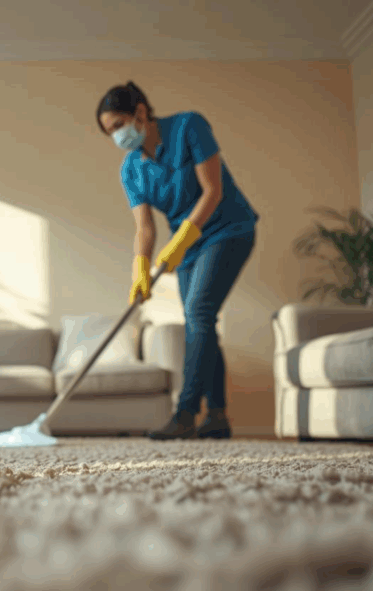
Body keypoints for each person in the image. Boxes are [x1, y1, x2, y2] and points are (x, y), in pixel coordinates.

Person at [96, 81, 258, 440]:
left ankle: (185, 413)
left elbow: (213, 191)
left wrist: (182, 238)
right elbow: (145, 228)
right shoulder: (131, 169)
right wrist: (140, 268)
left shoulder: (189, 126)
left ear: (140, 112)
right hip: (189, 245)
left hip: (229, 229)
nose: (117, 136)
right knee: (199, 319)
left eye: (119, 124)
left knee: (199, 311)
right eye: (110, 132)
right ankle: (216, 415)